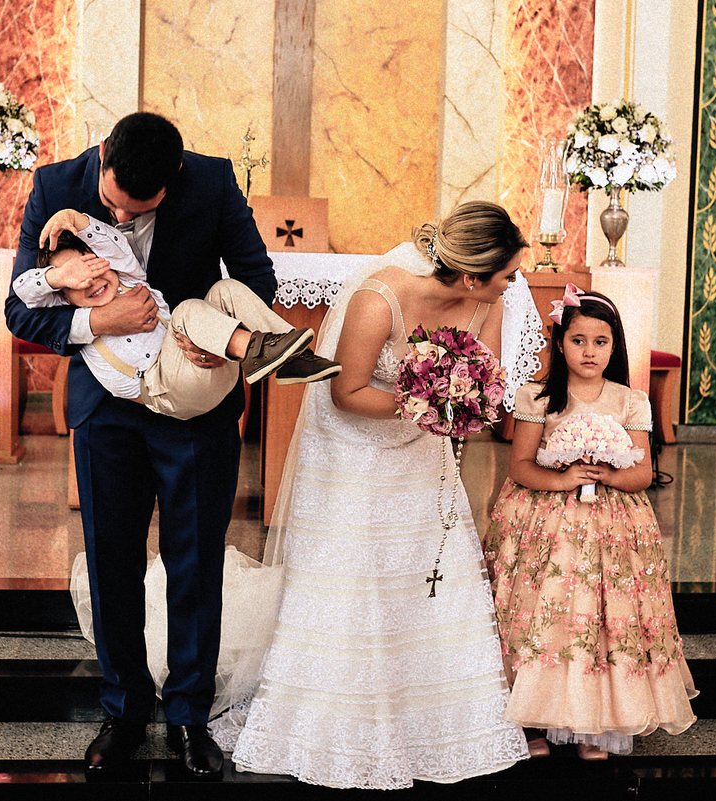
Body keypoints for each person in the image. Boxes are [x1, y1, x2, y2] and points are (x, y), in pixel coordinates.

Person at [5, 112, 319, 780]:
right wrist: (97, 319)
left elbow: (256, 276)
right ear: (101, 157)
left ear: (173, 180)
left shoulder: (211, 180)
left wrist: (206, 335)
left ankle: (187, 717)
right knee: (113, 561)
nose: (118, 216)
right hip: (106, 408)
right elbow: (20, 308)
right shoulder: (56, 186)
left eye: (136, 209)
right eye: (112, 200)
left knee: (195, 560)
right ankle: (123, 711)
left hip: (194, 400)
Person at [212, 201, 545, 789]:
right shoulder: (378, 297)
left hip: (422, 446)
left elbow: (485, 373)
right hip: (354, 448)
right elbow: (347, 393)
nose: (515, 284)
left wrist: (463, 402)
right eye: (508, 275)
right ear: (471, 275)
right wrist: (426, 403)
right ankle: (339, 718)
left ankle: (437, 715)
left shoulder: (490, 299)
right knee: (358, 571)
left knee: (423, 567)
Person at [480, 284, 697, 761]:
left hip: (612, 524)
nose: (589, 351)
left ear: (614, 346)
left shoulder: (629, 401)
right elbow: (520, 466)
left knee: (599, 615)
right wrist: (564, 478)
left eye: (601, 342)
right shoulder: (538, 397)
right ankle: (532, 719)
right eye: (578, 340)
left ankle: (593, 723)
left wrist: (611, 472)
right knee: (545, 610)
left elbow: (643, 472)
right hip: (546, 522)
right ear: (560, 343)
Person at [13, 213, 339, 420]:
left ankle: (292, 358)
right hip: (166, 391)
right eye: (78, 281)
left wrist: (73, 218)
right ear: (62, 296)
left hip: (211, 366)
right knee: (185, 311)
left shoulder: (129, 276)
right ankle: (255, 351)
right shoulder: (77, 318)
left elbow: (109, 241)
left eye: (91, 267)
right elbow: (24, 290)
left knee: (225, 289)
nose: (91, 280)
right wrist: (58, 276)